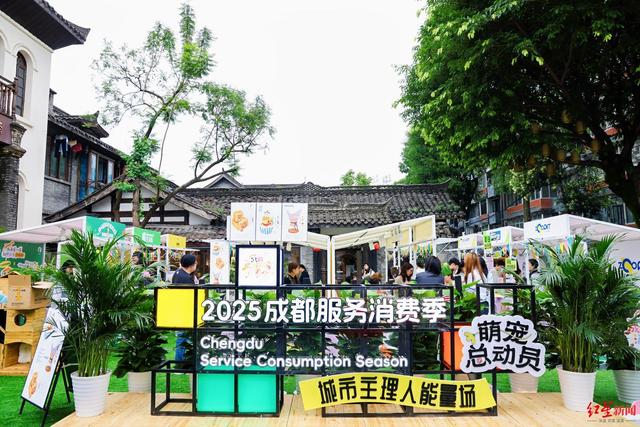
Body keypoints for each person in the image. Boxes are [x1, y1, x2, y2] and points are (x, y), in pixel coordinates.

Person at [172, 254, 198, 363]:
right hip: (184, 312)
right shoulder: (184, 278)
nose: (196, 264)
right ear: (191, 265)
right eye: (195, 263)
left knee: (182, 337)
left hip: (180, 310)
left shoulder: (178, 273)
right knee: (182, 338)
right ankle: (180, 363)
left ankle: (181, 362)